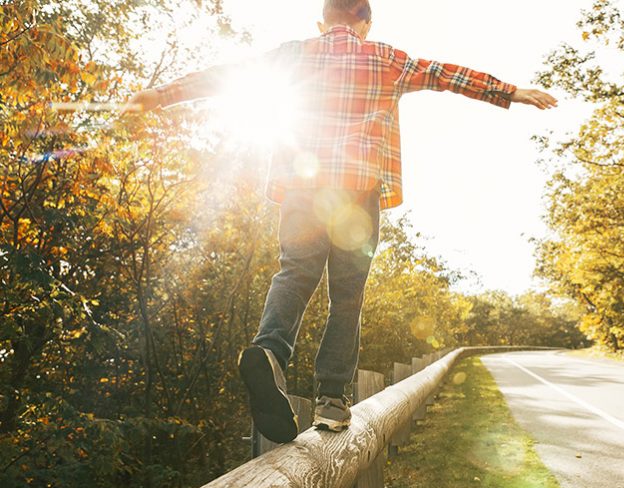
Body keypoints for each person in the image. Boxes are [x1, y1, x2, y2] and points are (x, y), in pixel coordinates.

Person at [124, 0, 558, 444]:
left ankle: (269, 352)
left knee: (293, 274)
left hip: (301, 188)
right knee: (346, 296)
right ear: (365, 24)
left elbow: (229, 75)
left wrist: (161, 95)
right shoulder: (387, 58)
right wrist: (509, 91)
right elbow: (446, 75)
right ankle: (332, 400)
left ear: (322, 22)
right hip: (356, 194)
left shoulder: (294, 53)